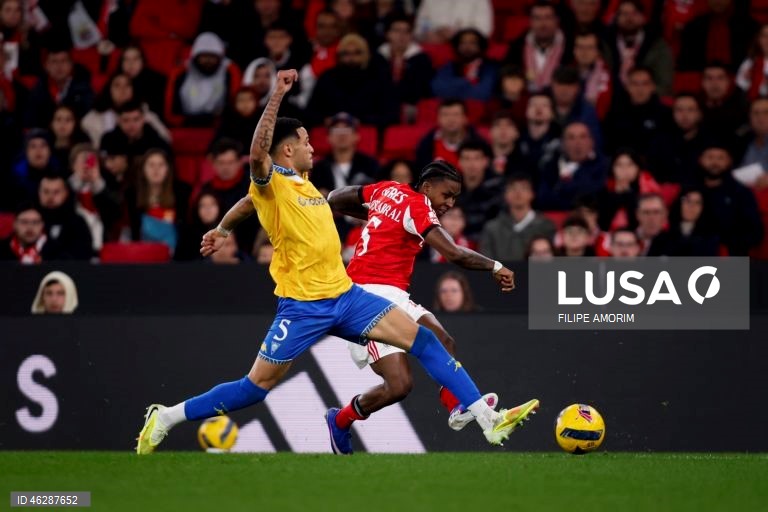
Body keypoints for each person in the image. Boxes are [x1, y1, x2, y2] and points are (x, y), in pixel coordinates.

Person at [136, 70, 538, 456]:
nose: (313, 148)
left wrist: (223, 228)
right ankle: (166, 417)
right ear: (287, 149)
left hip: (347, 297)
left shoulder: (304, 186)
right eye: (305, 142)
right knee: (253, 389)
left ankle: (489, 420)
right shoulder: (271, 181)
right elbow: (258, 157)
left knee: (427, 340)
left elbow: (247, 202)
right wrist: (278, 94)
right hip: (303, 307)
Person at [480, 173, 556, 261]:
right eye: (512, 188)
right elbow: (485, 262)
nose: (518, 192)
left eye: (523, 188)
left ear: (532, 194)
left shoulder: (546, 226)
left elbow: (553, 260)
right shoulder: (492, 228)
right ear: (505, 195)